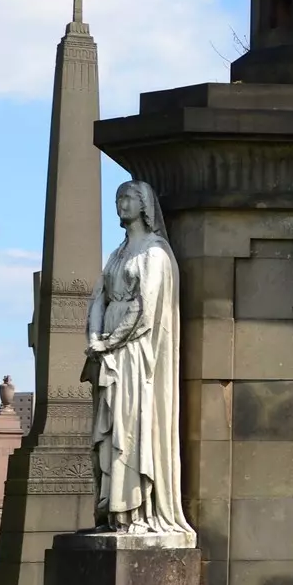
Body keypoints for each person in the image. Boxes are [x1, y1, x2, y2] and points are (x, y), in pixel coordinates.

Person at [84, 180, 192, 538]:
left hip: (134, 355)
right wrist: (94, 337)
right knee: (111, 426)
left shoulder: (154, 253)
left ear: (144, 204)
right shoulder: (118, 253)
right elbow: (99, 298)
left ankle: (136, 509)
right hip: (110, 352)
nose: (120, 204)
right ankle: (112, 509)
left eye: (127, 198)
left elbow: (145, 311)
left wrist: (110, 342)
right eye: (117, 198)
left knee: (130, 425)